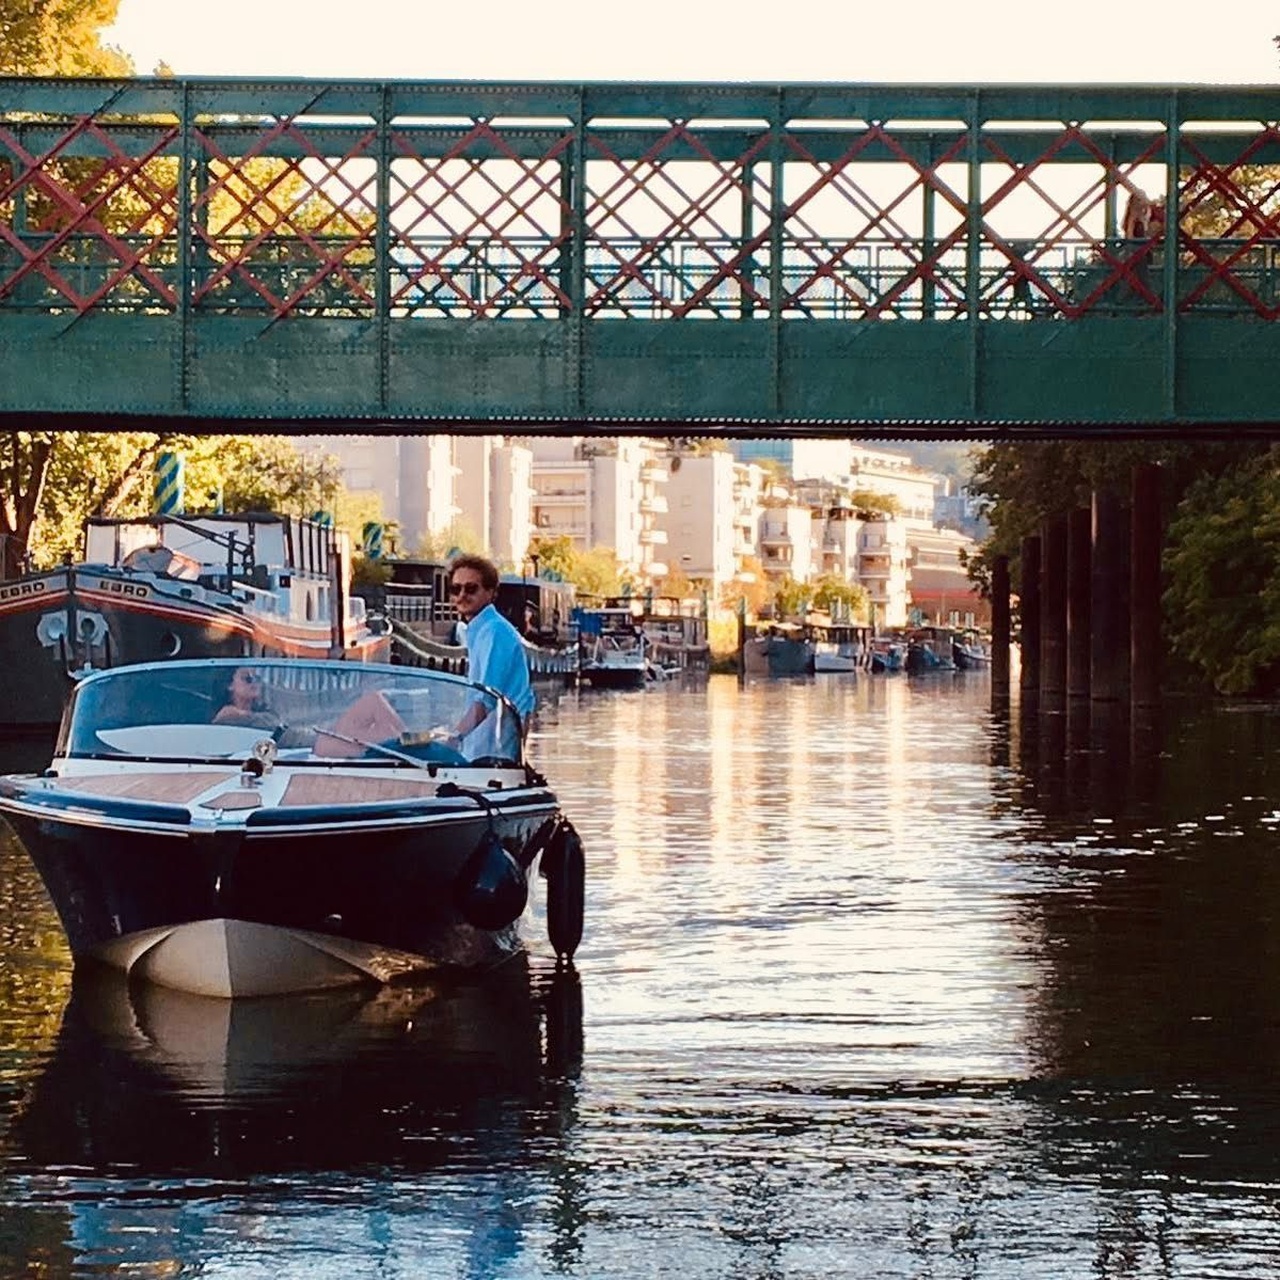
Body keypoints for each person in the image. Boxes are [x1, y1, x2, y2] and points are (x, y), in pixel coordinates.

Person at [445, 553, 534, 753]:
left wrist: (452, 740)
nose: (461, 595)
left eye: (471, 588)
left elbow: (486, 699)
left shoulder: (494, 632)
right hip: (482, 750)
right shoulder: (480, 630)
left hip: (493, 754)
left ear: (490, 592)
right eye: (455, 589)